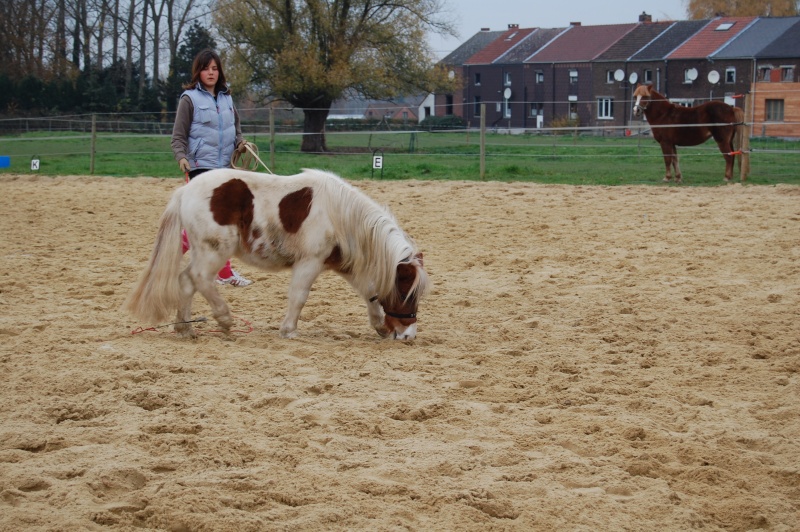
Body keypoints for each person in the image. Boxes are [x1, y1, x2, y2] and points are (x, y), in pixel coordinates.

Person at [171, 49, 253, 287]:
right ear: (199, 71)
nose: (211, 73)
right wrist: (181, 157)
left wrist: (240, 143)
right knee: (204, 223)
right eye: (206, 68)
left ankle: (224, 272)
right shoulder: (189, 99)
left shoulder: (227, 98)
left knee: (224, 221)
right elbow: (178, 136)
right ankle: (170, 256)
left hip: (225, 170)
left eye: (215, 68)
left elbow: (236, 129)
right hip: (200, 169)